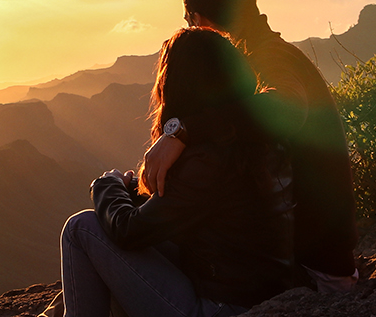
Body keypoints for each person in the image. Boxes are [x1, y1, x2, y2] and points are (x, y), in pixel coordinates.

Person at [139, 0, 358, 292]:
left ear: (198, 20)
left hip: (309, 270)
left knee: (139, 250)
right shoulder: (261, 54)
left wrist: (183, 131)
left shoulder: (270, 58)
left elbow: (285, 109)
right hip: (308, 259)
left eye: (189, 22)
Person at [56, 28, 294, 317]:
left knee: (82, 228)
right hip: (253, 291)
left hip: (220, 308)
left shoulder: (208, 159)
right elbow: (176, 210)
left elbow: (129, 231)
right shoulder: (252, 140)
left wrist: (108, 184)